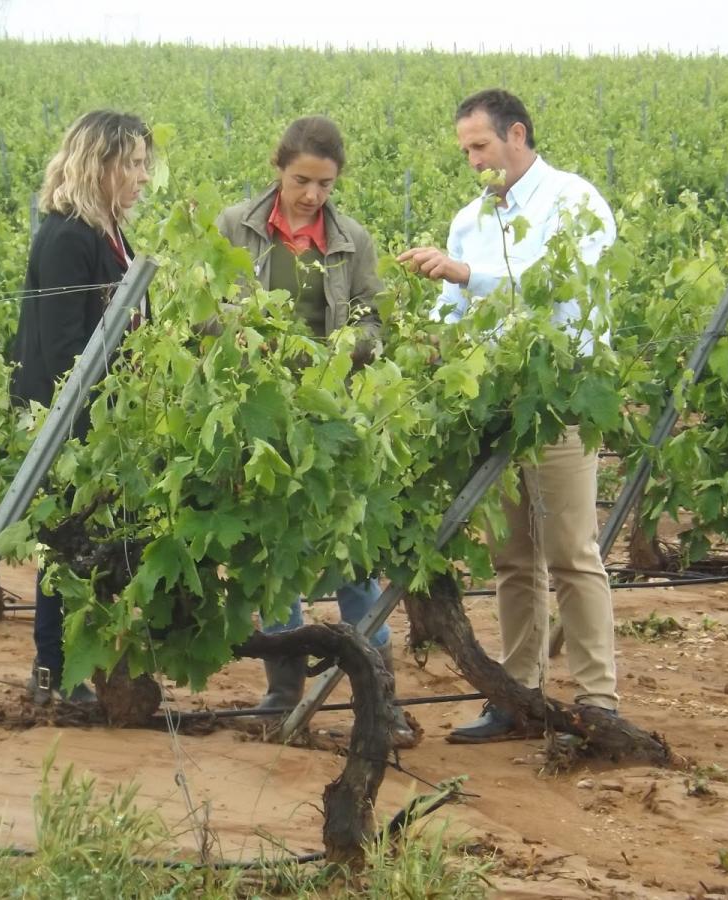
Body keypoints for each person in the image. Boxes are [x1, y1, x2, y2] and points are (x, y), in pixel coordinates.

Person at [398, 89, 619, 741]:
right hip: (493, 407)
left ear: (516, 134)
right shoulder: (469, 219)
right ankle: (518, 699)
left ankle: (598, 702)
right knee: (513, 559)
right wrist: (425, 342)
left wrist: (467, 274)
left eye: (480, 147)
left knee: (573, 551)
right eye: (465, 149)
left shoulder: (573, 202)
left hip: (560, 401)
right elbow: (455, 311)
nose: (472, 161)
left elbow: (555, 284)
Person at [215, 116, 411, 741]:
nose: (312, 196)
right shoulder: (232, 227)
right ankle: (282, 694)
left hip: (333, 414)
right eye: (302, 180)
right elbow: (208, 311)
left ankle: (378, 693)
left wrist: (340, 351)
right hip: (258, 412)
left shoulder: (353, 240)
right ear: (278, 168)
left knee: (350, 551)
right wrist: (245, 339)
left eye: (325, 184)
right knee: (272, 548)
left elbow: (374, 326)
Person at [10, 109, 152, 705]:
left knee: (87, 544)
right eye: (135, 165)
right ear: (103, 165)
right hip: (68, 420)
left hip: (102, 417)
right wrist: (101, 411)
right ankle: (53, 669)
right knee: (65, 543)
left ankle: (80, 666)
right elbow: (66, 346)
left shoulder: (107, 230)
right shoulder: (68, 235)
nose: (144, 177)